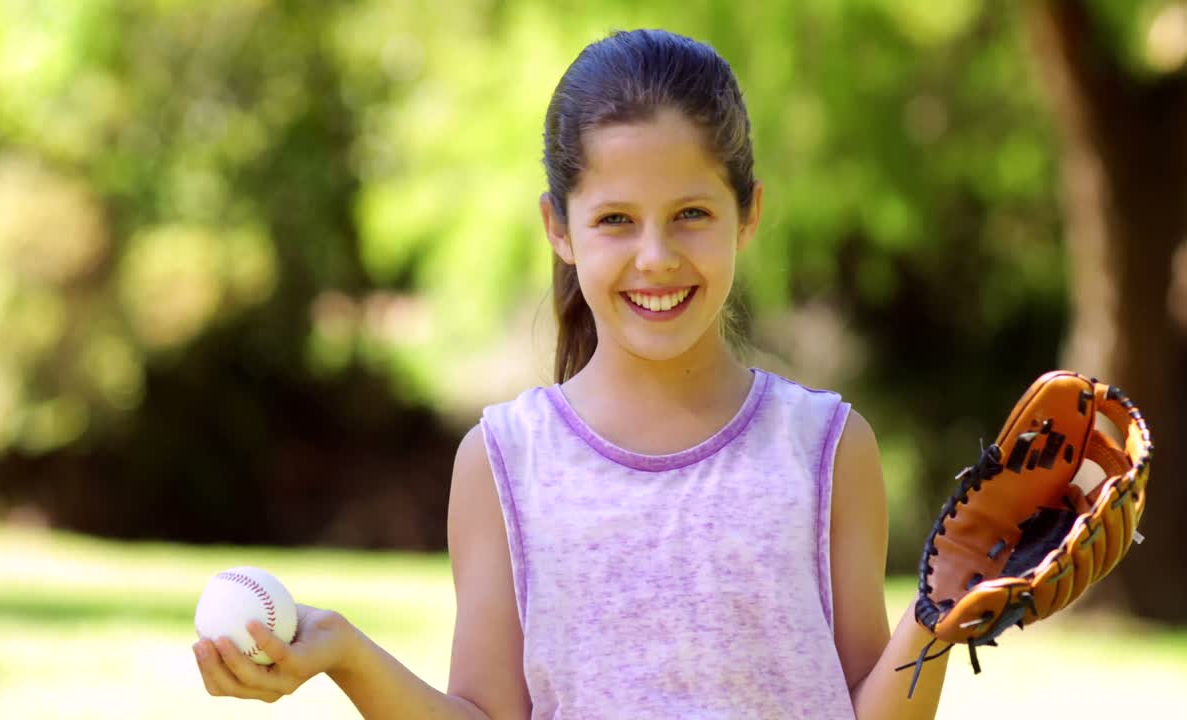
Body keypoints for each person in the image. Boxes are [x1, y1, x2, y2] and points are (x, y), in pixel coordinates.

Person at [193, 28, 950, 719]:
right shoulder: (505, 463)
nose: (655, 256)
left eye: (691, 213)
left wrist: (941, 609)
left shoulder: (824, 448)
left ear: (748, 214)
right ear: (559, 227)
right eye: (615, 219)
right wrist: (349, 655)